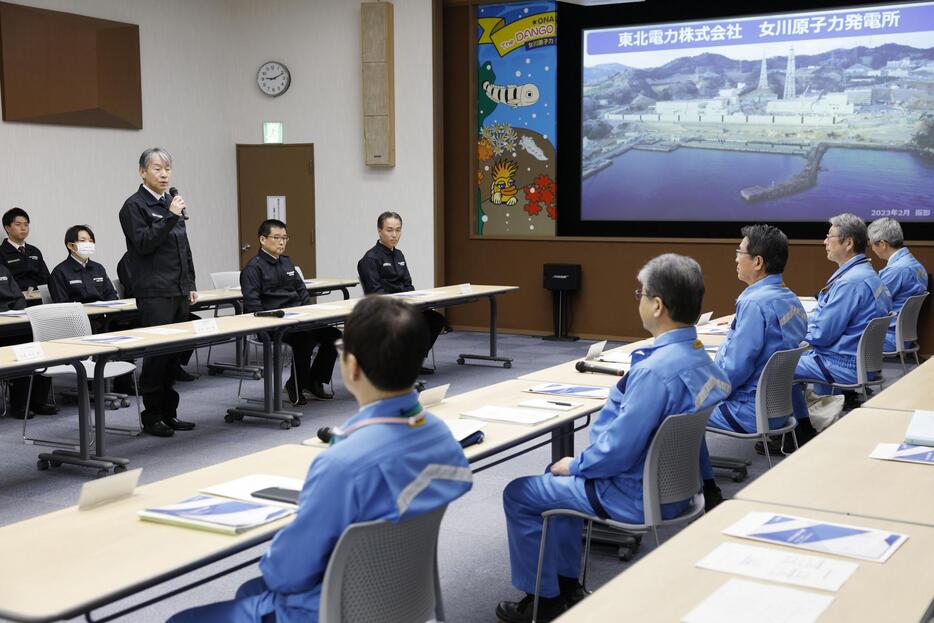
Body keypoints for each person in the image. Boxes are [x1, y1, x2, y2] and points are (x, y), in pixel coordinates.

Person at [169, 296, 473, 623]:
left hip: (334, 609)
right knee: (250, 591)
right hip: (403, 600)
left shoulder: (344, 464)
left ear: (351, 367)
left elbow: (286, 573)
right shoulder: (439, 433)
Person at [495, 254, 731, 623]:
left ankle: (544, 602)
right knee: (557, 474)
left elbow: (617, 451)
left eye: (641, 293)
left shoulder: (654, 372)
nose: (637, 299)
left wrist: (577, 463)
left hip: (629, 493)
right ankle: (567, 586)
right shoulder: (701, 358)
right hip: (677, 490)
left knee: (520, 492)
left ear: (657, 305)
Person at [702, 225, 811, 465]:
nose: (735, 259)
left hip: (748, 412)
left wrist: (702, 390)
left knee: (675, 409)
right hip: (779, 409)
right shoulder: (790, 297)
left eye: (740, 252)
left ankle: (701, 485)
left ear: (758, 261)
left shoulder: (754, 304)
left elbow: (735, 369)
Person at [119, 147, 197, 437]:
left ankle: (169, 412)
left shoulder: (170, 204)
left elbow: (184, 250)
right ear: (142, 172)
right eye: (157, 168)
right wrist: (169, 218)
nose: (164, 174)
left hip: (177, 290)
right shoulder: (134, 206)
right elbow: (143, 244)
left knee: (174, 355)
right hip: (153, 292)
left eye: (167, 169)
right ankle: (151, 416)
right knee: (156, 356)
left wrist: (190, 284)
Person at [795, 214, 892, 405]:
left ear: (848, 243)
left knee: (772, 365)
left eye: (829, 236)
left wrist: (792, 331)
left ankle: (800, 426)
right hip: (861, 361)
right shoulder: (867, 273)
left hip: (842, 364)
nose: (825, 242)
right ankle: (822, 407)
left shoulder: (850, 283)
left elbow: (822, 335)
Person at [241, 219, 341, 404]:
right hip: (273, 324)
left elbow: (302, 291)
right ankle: (295, 385)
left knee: (334, 335)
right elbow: (253, 307)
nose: (281, 242)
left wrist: (306, 313)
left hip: (298, 320)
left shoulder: (287, 263)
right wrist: (278, 319)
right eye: (276, 237)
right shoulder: (253, 268)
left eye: (285, 238)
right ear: (262, 239)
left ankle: (314, 381)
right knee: (305, 339)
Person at [357, 212, 446, 373]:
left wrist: (414, 301)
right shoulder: (370, 259)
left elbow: (407, 284)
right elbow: (375, 293)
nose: (394, 235)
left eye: (398, 230)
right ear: (379, 231)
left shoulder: (399, 255)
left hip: (404, 305)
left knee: (435, 319)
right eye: (389, 230)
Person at [116, 250, 197, 383]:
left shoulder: (168, 256)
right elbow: (133, 287)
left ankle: (174, 366)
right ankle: (153, 378)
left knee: (191, 323)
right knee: (160, 334)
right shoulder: (129, 259)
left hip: (173, 301)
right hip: (144, 308)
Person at [0, 263, 56, 418]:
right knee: (17, 350)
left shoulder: (3, 270)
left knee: (41, 343)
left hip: (13, 322)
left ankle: (39, 402)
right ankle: (20, 405)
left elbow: (18, 297)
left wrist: (16, 312)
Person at [867, 217, 928, 353]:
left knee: (836, 335)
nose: (871, 248)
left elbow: (870, 305)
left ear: (882, 244)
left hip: (888, 338)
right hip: (903, 337)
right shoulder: (915, 264)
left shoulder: (897, 270)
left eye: (872, 244)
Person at [49, 225, 118, 304]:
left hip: (104, 313)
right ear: (70, 245)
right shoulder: (59, 272)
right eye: (82, 240)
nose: (88, 244)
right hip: (78, 315)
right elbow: (61, 303)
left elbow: (111, 294)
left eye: (91, 241)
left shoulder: (98, 268)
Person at [0, 207, 50, 298]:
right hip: (15, 302)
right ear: (7, 228)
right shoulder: (2, 252)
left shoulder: (34, 251)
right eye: (18, 224)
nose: (23, 228)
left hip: (39, 300)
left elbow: (46, 279)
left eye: (26, 225)